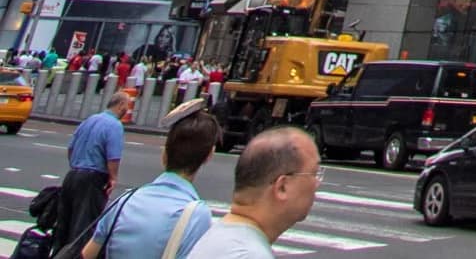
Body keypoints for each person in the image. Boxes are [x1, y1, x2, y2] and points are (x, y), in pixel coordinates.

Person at [78, 106, 218, 259]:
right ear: (209, 155)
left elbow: (87, 255)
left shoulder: (124, 201)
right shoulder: (196, 215)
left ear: (164, 154)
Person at [187, 129, 322, 259]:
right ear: (282, 187)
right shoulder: (250, 254)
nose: (317, 184)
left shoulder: (220, 237)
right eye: (314, 174)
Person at [59, 96, 127, 252]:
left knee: (65, 226)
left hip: (73, 175)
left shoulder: (90, 120)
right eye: (127, 106)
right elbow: (113, 157)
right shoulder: (115, 125)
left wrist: (76, 166)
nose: (127, 110)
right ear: (120, 105)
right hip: (93, 177)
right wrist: (113, 178)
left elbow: (71, 148)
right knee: (83, 229)